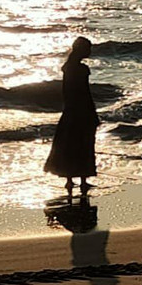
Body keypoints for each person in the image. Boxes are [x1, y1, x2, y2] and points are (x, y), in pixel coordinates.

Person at [44, 36, 99, 195]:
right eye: (88, 48)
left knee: (69, 145)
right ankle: (82, 180)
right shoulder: (81, 69)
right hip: (82, 110)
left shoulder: (68, 67)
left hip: (70, 110)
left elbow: (67, 92)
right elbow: (85, 93)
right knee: (83, 144)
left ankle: (70, 180)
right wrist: (92, 112)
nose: (90, 51)